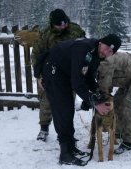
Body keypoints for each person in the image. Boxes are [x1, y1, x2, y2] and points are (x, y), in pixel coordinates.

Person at [33, 34, 121, 166]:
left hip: (64, 74)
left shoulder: (96, 55)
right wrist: (95, 103)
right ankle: (64, 154)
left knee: (68, 111)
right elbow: (78, 83)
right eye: (106, 48)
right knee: (63, 111)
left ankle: (71, 147)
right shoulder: (84, 49)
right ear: (101, 42)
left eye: (111, 52)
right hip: (53, 73)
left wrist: (99, 94)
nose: (106, 52)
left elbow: (88, 77)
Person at [31, 9, 85, 142]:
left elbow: (84, 47)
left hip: (69, 72)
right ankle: (44, 129)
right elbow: (36, 55)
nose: (63, 26)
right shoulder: (45, 34)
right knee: (46, 101)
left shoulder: (75, 30)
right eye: (59, 24)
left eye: (65, 23)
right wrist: (38, 75)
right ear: (52, 24)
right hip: (50, 72)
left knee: (68, 103)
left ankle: (67, 132)